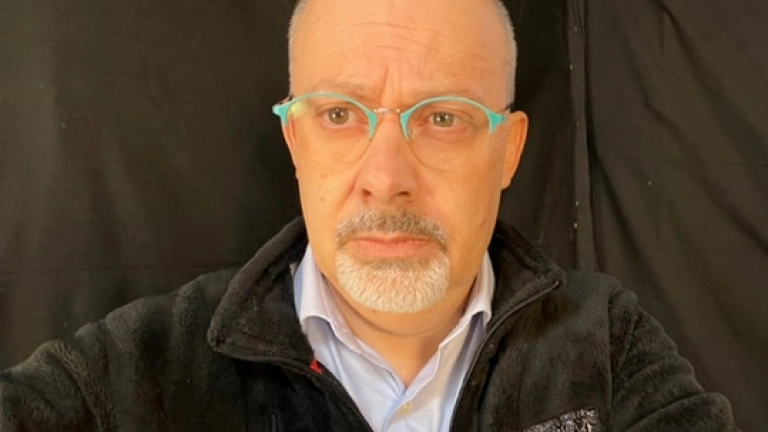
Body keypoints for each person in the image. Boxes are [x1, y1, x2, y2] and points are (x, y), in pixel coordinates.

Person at [0, 0, 740, 430]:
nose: (386, 181)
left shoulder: (605, 344)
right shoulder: (135, 372)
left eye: (443, 118)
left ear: (509, 151)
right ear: (296, 142)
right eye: (340, 115)